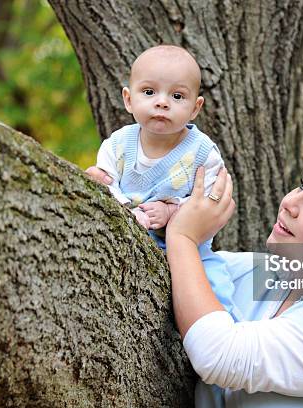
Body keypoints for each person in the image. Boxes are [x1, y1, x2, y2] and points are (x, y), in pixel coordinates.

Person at [87, 152, 303, 406]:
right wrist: (110, 202)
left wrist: (184, 237)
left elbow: (218, 355)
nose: (290, 203)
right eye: (302, 185)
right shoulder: (268, 276)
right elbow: (165, 270)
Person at [86, 45, 242, 321]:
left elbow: (208, 204)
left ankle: (225, 330)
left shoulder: (203, 153)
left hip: (189, 251)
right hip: (126, 236)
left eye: (177, 96)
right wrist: (126, 210)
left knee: (216, 282)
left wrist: (172, 212)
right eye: (149, 92)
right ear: (128, 99)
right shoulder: (118, 145)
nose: (162, 102)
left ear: (195, 108)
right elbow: (105, 183)